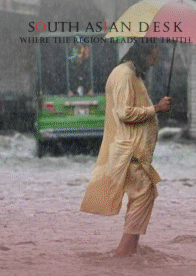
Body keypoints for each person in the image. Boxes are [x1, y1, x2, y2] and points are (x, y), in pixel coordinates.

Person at [80, 41, 172, 257]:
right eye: (153, 57)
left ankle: (129, 251)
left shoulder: (132, 74)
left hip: (134, 149)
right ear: (144, 53)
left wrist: (154, 110)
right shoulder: (124, 75)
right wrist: (156, 108)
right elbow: (124, 112)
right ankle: (124, 253)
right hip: (129, 149)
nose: (154, 62)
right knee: (144, 192)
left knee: (141, 194)